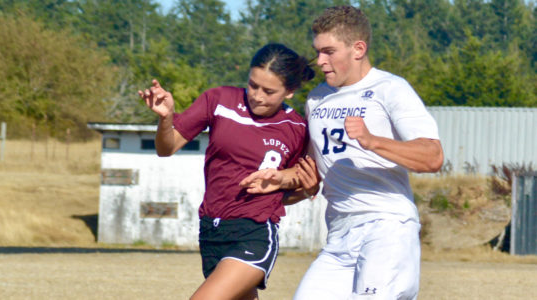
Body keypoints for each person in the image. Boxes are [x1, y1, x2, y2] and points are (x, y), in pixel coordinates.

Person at [240, 5, 444, 300]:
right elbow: (311, 170)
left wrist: (373, 141)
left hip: (386, 228)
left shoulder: (391, 89)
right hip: (339, 234)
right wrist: (279, 180)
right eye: (318, 51)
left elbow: (432, 156)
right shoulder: (317, 98)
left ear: (358, 49)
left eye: (329, 51)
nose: (320, 61)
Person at [138, 43, 317, 300]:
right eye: (253, 85)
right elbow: (166, 148)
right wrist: (166, 118)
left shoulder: (297, 128)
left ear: (289, 91)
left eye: (269, 91)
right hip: (212, 231)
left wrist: (287, 186)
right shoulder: (219, 100)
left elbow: (304, 184)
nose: (257, 96)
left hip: (254, 232)